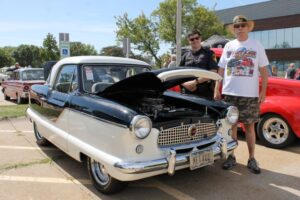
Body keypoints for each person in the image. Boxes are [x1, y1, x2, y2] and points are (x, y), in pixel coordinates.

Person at [214, 15, 269, 174]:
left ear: (248, 27)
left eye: (242, 25)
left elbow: (264, 71)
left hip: (249, 95)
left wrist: (263, 91)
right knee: (231, 127)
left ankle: (252, 159)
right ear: (234, 29)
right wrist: (217, 88)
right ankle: (231, 157)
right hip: (230, 93)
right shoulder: (228, 46)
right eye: (237, 26)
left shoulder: (256, 45)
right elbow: (221, 69)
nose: (239, 28)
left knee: (249, 126)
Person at [180, 30, 218, 98]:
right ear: (188, 41)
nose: (195, 40)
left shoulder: (209, 53)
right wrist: (185, 84)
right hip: (188, 93)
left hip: (205, 93)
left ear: (200, 38)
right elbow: (179, 74)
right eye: (192, 39)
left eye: (197, 38)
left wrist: (195, 82)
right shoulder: (185, 56)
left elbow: (213, 72)